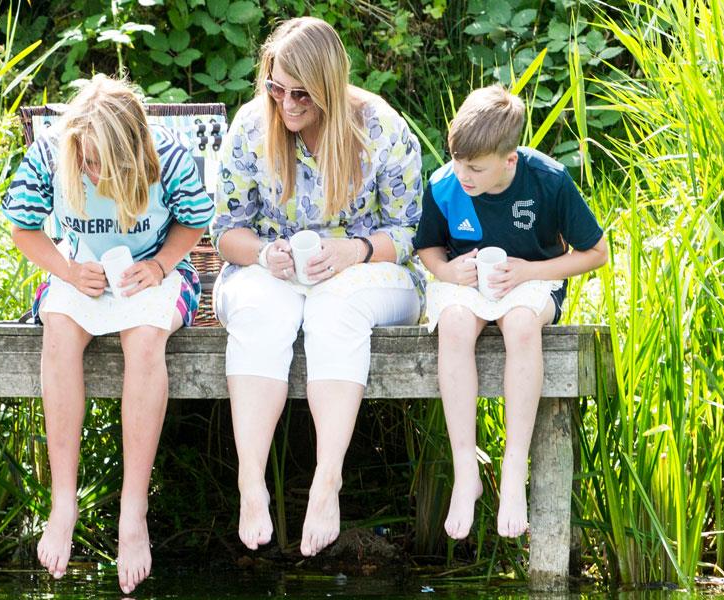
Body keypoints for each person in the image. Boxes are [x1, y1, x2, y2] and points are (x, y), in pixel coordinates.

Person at [211, 16, 424, 557]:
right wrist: (264, 253)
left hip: (369, 273)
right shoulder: (252, 127)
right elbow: (224, 232)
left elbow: (409, 232)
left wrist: (354, 251)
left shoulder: (380, 129)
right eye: (276, 89)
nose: (286, 103)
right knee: (261, 308)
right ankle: (251, 482)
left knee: (335, 304)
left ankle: (328, 481)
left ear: (329, 86)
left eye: (300, 93)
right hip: (273, 271)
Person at [1, 74, 214, 593]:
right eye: (88, 160)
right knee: (58, 329)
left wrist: (161, 266)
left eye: (105, 163)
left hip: (155, 273)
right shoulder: (53, 153)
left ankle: (133, 511)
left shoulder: (169, 157)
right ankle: (63, 502)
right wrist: (69, 272)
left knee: (145, 337)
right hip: (80, 270)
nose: (94, 172)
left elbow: (194, 223)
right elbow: (23, 229)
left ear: (136, 149)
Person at [413, 85, 608, 540]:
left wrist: (530, 271)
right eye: (458, 161)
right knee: (456, 324)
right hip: (468, 284)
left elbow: (596, 253)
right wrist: (447, 269)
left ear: (509, 159)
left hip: (533, 278)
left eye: (475, 168)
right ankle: (467, 471)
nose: (463, 174)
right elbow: (427, 248)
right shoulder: (445, 184)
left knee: (521, 325)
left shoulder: (549, 180)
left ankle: (514, 466)